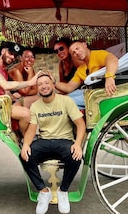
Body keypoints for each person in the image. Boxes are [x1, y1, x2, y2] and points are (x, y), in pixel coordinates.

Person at [20, 73, 86, 214]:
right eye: (40, 84)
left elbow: (80, 124)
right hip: (44, 141)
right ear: (37, 89)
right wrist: (25, 145)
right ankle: (43, 191)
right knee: (26, 156)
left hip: (64, 140)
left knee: (75, 156)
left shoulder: (66, 101)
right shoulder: (35, 106)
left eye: (46, 83)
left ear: (52, 84)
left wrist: (78, 144)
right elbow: (31, 130)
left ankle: (63, 191)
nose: (44, 86)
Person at [0, 42, 43, 136]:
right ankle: (25, 139)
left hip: (3, 101)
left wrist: (13, 97)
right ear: (3, 51)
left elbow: (5, 90)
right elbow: (5, 85)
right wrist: (29, 82)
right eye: (11, 53)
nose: (12, 57)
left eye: (15, 55)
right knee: (26, 114)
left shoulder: (3, 69)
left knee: (36, 100)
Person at [54, 41, 118, 109]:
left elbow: (112, 59)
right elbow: (69, 87)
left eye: (77, 48)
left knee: (62, 102)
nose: (77, 53)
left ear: (84, 45)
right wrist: (52, 81)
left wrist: (109, 77)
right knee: (59, 99)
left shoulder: (97, 55)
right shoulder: (81, 69)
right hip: (88, 92)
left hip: (100, 93)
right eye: (74, 53)